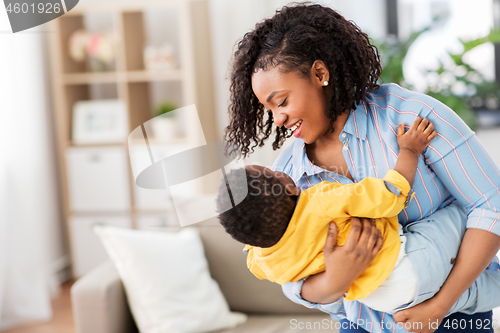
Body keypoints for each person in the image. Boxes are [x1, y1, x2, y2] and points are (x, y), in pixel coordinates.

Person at [224, 3, 500, 333]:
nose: (278, 119)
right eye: (269, 109)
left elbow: (490, 204)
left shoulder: (411, 119)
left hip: (449, 318)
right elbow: (286, 269)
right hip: (359, 325)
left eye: (281, 102)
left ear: (320, 74)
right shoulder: (288, 174)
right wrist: (334, 280)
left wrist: (439, 306)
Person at [218, 117, 488, 314]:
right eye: (272, 172)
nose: (278, 168)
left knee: (473, 290)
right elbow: (390, 195)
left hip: (377, 300)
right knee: (460, 213)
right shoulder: (320, 199)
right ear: (289, 187)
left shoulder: (262, 260)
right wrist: (409, 151)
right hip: (406, 264)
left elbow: (253, 253)